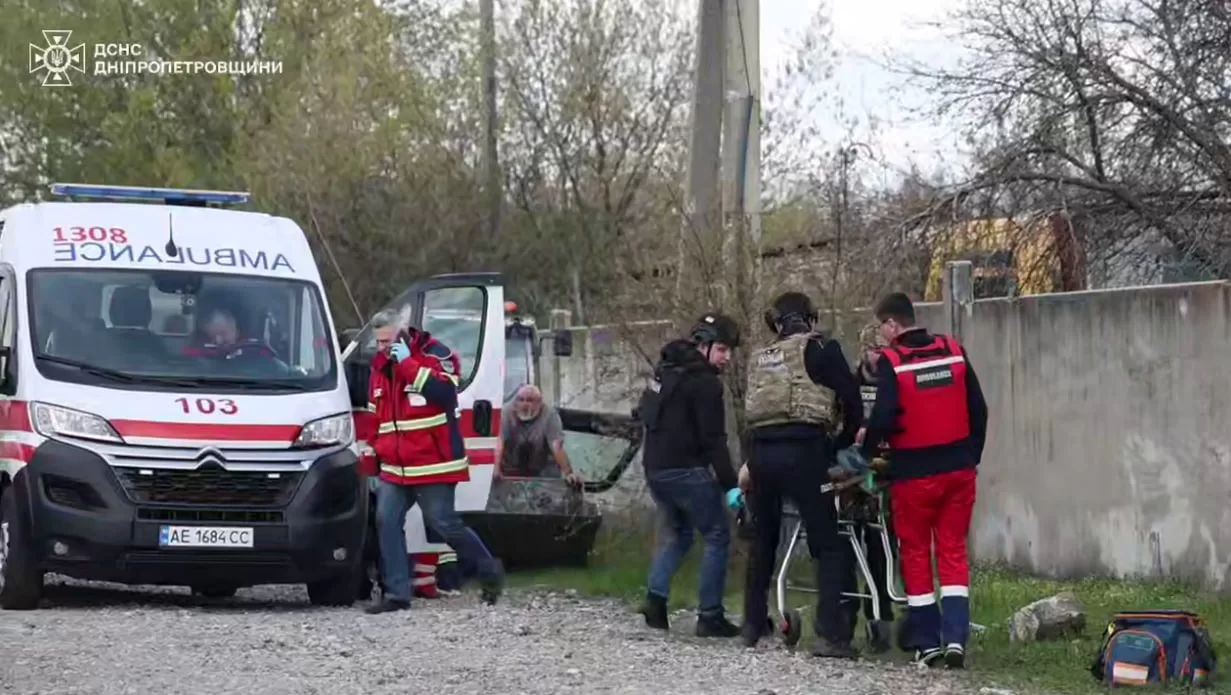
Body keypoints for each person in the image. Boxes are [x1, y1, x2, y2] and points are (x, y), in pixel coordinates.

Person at [858, 292, 988, 668]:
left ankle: (927, 643)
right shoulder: (953, 350)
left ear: (892, 324)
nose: (881, 336)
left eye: (881, 327)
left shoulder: (893, 362)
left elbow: (882, 418)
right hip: (958, 471)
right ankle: (956, 640)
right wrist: (970, 456)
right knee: (952, 552)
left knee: (915, 553)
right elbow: (979, 409)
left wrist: (865, 457)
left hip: (913, 475)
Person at [739, 291, 863, 658]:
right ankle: (831, 634)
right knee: (828, 544)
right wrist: (837, 445)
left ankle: (751, 623)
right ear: (810, 319)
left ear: (776, 324)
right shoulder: (822, 349)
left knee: (763, 539)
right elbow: (852, 401)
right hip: (805, 453)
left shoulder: (760, 358)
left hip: (761, 454)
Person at [360, 308, 505, 614]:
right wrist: (373, 457)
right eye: (379, 343)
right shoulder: (379, 367)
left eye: (388, 341)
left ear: (403, 332)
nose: (383, 348)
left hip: (434, 462)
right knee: (387, 521)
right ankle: (397, 593)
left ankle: (489, 569)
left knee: (444, 523)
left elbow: (444, 393)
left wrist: (408, 364)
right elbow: (376, 415)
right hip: (395, 467)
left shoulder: (437, 354)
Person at [635, 312, 744, 638]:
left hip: (655, 469)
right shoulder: (706, 383)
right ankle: (710, 615)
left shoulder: (664, 370)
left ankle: (655, 602)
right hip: (685, 470)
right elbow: (714, 442)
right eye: (723, 350)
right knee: (717, 535)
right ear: (705, 345)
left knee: (680, 534)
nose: (727, 358)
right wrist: (731, 487)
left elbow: (645, 415)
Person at [837, 322, 896, 652]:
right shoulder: (851, 382)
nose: (880, 356)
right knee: (846, 541)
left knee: (882, 544)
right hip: (851, 470)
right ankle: (846, 611)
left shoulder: (895, 380)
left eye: (883, 350)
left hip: (885, 469)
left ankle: (880, 613)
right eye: (875, 350)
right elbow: (840, 419)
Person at [493, 384, 582, 486]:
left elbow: (556, 446)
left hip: (542, 468)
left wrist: (568, 473)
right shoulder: (505, 413)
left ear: (539, 402)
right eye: (521, 400)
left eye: (530, 400)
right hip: (511, 466)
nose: (525, 404)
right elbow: (498, 442)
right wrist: (495, 469)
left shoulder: (550, 415)